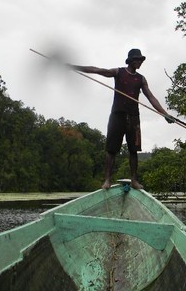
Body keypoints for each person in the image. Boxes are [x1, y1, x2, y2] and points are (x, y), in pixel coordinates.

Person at [69, 48, 174, 190]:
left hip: (133, 117)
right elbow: (98, 70)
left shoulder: (141, 79)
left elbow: (151, 97)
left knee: (133, 150)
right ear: (131, 61)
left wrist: (164, 113)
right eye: (137, 60)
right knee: (111, 150)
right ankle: (107, 180)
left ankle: (134, 181)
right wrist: (73, 67)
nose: (140, 62)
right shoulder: (119, 72)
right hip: (117, 115)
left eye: (141, 60)